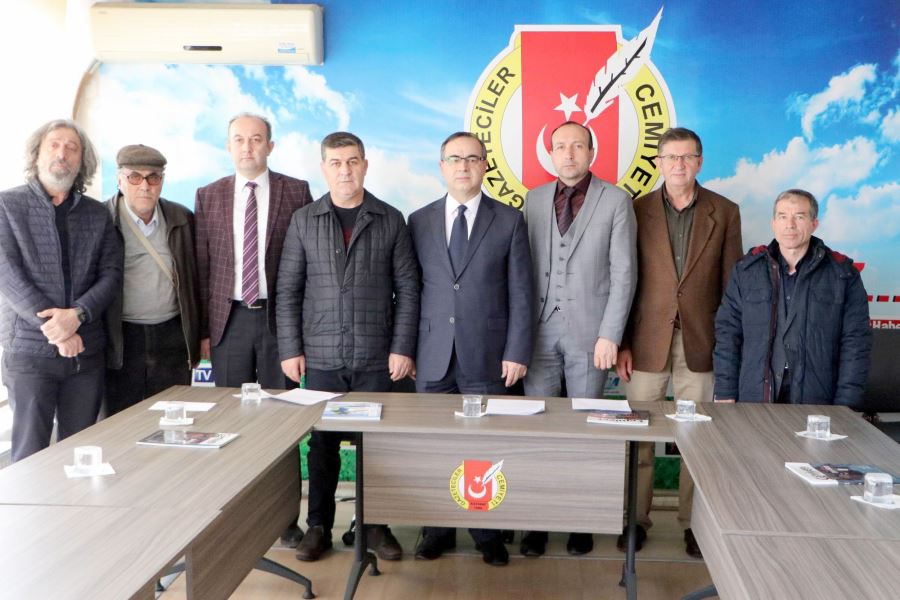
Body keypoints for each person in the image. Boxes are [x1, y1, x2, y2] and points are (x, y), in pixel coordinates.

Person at [278, 132, 419, 563]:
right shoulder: (304, 220)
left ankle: (374, 525)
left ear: (365, 165)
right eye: (336, 163)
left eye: (353, 161)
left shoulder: (390, 219)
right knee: (322, 447)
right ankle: (318, 526)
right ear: (324, 168)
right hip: (321, 355)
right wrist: (290, 348)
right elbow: (289, 290)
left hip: (377, 356)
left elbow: (408, 289)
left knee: (378, 444)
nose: (345, 170)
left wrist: (402, 347)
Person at [408, 132, 534, 566]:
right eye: (454, 159)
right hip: (432, 353)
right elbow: (410, 291)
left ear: (484, 166)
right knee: (435, 445)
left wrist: (517, 351)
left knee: (483, 446)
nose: (463, 166)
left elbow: (522, 292)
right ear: (442, 166)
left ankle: (486, 534)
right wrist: (407, 349)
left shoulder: (509, 220)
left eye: (472, 158)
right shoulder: (418, 221)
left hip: (489, 354)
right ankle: (436, 531)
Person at [615, 127, 742, 558]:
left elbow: (731, 287)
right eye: (670, 157)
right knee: (638, 435)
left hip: (702, 342)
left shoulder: (726, 212)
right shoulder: (636, 210)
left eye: (687, 157)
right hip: (645, 341)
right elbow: (625, 280)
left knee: (697, 438)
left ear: (700, 162)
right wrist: (623, 342)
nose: (679, 165)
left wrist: (728, 349)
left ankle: (694, 524)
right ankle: (635, 520)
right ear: (658, 163)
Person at [520, 121, 637, 557]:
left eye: (577, 146)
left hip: (592, 334)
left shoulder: (616, 201)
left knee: (586, 430)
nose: (568, 154)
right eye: (560, 147)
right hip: (537, 331)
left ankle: (581, 522)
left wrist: (611, 334)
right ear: (550, 153)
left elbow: (624, 274)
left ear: (591, 152)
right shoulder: (532, 200)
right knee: (539, 429)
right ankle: (537, 522)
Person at [194, 112, 312, 547]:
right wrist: (204, 332)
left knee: (282, 424)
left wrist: (301, 331)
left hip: (280, 321)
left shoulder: (296, 191)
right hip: (228, 322)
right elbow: (202, 267)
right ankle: (235, 518)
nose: (248, 147)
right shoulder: (208, 195)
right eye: (240, 139)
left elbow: (308, 263)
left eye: (256, 139)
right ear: (228, 146)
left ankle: (285, 520)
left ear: (270, 146)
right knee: (230, 424)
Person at [0, 119, 122, 462]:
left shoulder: (98, 214)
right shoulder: (6, 205)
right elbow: (7, 274)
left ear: (82, 161)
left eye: (72, 148)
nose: (62, 153)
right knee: (29, 456)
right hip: (30, 353)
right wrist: (57, 329)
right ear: (36, 154)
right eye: (54, 145)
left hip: (86, 353)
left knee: (81, 453)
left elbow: (111, 274)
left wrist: (77, 315)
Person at [714, 189, 871, 407]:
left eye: (799, 216)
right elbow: (728, 334)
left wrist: (847, 404)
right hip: (755, 396)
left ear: (814, 223)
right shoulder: (746, 271)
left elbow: (855, 343)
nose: (790, 225)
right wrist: (724, 391)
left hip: (818, 400)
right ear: (773, 223)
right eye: (782, 216)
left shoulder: (842, 274)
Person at [105, 144, 200, 414]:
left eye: (153, 177)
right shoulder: (101, 219)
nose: (145, 186)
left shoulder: (182, 218)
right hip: (122, 339)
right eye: (135, 177)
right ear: (120, 180)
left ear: (162, 181)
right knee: (121, 419)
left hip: (172, 336)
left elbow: (197, 278)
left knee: (171, 417)